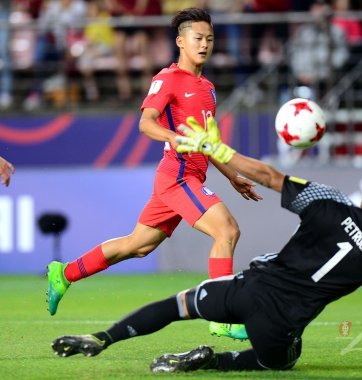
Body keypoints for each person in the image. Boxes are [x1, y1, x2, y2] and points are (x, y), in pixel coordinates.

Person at [51, 116, 362, 373]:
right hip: (278, 325)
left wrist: (220, 151)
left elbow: (269, 177)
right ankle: (211, 364)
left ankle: (102, 337)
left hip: (247, 288)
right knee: (282, 361)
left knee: (177, 304)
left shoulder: (328, 204)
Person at [46, 8, 262, 341]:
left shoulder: (208, 88)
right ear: (181, 41)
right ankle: (222, 316)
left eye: (210, 39)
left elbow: (208, 143)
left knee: (138, 245)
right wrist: (171, 136)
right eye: (197, 38)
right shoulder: (168, 78)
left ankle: (64, 273)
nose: (204, 44)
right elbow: (146, 122)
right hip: (177, 176)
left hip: (188, 177)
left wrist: (231, 174)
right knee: (227, 231)